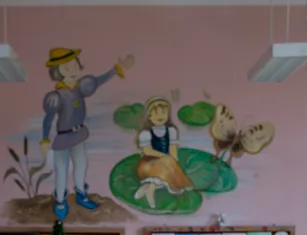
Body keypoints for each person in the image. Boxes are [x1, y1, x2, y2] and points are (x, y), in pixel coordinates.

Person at [40, 47, 133, 221]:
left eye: (74, 65)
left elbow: (99, 80)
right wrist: (44, 139)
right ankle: (60, 200)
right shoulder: (56, 96)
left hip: (79, 134)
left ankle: (81, 193)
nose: (72, 70)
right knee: (61, 170)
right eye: (66, 68)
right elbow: (48, 119)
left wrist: (116, 70)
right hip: (62, 137)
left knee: (81, 165)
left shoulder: (81, 87)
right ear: (57, 72)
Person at [132, 97, 193, 209]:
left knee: (169, 165)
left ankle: (150, 187)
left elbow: (173, 149)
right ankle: (151, 188)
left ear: (168, 115)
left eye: (163, 112)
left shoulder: (171, 131)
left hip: (165, 163)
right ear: (149, 116)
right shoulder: (145, 133)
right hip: (148, 164)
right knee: (167, 164)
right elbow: (147, 151)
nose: (160, 116)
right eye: (155, 113)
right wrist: (166, 158)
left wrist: (174, 162)